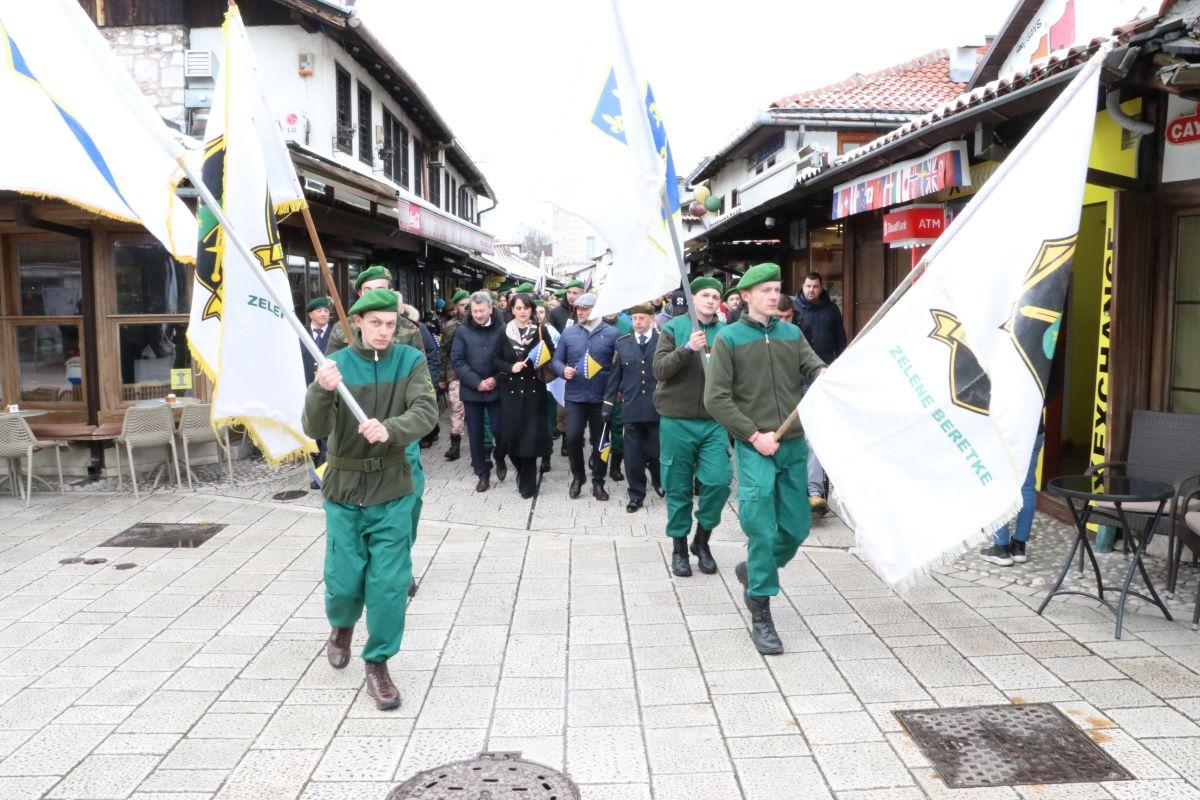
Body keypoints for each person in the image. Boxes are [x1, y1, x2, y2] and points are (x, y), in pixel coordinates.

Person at [302, 288, 438, 710]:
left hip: (393, 489)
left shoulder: (409, 360)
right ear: (357, 323)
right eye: (375, 323)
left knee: (389, 584)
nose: (384, 331)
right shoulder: (336, 365)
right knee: (344, 580)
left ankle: (377, 662)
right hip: (344, 489)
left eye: (390, 324)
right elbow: (312, 425)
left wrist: (393, 429)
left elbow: (427, 410)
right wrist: (322, 390)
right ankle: (341, 626)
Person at [705, 263, 826, 655]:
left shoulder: (792, 333)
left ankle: (752, 571)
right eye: (766, 290)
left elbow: (814, 369)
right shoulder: (729, 339)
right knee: (760, 527)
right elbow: (716, 398)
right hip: (755, 446)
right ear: (746, 296)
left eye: (777, 289)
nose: (775, 296)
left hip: (791, 444)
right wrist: (753, 435)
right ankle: (761, 610)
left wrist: (828, 374)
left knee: (795, 528)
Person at [326, 269, 436, 600]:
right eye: (368, 289)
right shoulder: (340, 333)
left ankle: (399, 562)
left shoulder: (408, 331)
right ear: (359, 296)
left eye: (382, 289)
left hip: (399, 434)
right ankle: (359, 568)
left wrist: (399, 426)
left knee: (410, 496)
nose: (383, 330)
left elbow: (422, 384)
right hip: (355, 437)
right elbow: (326, 383)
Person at [653, 277, 731, 577]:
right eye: (705, 295)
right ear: (693, 298)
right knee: (678, 487)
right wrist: (687, 348)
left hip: (714, 421)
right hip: (677, 419)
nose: (711, 300)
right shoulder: (674, 328)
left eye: (715, 296)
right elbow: (660, 370)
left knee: (719, 481)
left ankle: (702, 540)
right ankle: (679, 548)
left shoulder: (726, 332)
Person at [552, 293, 619, 500]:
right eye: (578, 308)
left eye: (585, 308)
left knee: (601, 442)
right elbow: (556, 360)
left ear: (596, 309)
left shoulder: (612, 333)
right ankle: (578, 476)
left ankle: (598, 481)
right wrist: (563, 370)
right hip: (575, 396)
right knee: (572, 438)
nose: (580, 312)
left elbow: (620, 364)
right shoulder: (569, 333)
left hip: (602, 398)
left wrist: (618, 389)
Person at [793, 271, 847, 515]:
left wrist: (839, 367)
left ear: (821, 287)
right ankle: (802, 489)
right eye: (807, 286)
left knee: (815, 431)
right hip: (795, 374)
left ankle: (816, 490)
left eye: (815, 286)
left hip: (822, 373)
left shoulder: (831, 310)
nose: (811, 290)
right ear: (802, 286)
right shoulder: (793, 310)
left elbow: (841, 340)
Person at [495, 293, 557, 498]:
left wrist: (540, 357)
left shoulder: (541, 330)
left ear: (531, 309)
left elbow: (552, 355)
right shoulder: (503, 331)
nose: (522, 312)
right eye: (518, 308)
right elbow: (494, 361)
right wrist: (509, 367)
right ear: (512, 310)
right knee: (512, 438)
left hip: (534, 390)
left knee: (530, 439)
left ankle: (528, 483)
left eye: (526, 308)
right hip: (510, 392)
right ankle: (520, 471)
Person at [605, 303, 661, 513]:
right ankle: (636, 494)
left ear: (651, 320)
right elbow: (614, 377)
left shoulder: (662, 341)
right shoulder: (623, 343)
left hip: (656, 407)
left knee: (656, 451)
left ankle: (658, 480)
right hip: (631, 407)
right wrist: (608, 404)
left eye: (642, 318)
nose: (637, 322)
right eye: (635, 318)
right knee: (633, 456)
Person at [450, 292, 508, 492]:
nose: (478, 314)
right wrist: (476, 382)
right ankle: (482, 473)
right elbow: (457, 360)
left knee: (500, 429)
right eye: (475, 311)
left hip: (496, 387)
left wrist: (495, 379)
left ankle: (500, 456)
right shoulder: (462, 331)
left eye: (482, 310)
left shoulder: (503, 328)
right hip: (472, 390)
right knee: (475, 434)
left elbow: (508, 359)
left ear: (491, 309)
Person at [301, 296, 334, 473]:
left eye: (326, 311)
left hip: (330, 389)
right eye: (319, 311)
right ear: (310, 314)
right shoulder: (301, 334)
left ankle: (324, 471)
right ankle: (318, 468)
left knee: (327, 431)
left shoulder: (337, 332)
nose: (323, 314)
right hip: (307, 389)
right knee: (313, 431)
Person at [440, 289, 470, 461]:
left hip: (476, 373)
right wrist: (442, 377)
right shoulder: (450, 326)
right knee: (457, 409)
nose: (465, 307)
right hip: (456, 374)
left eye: (467, 304)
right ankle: (455, 444)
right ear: (456, 307)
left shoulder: (480, 323)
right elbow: (443, 352)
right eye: (461, 305)